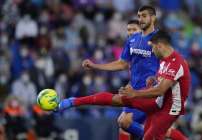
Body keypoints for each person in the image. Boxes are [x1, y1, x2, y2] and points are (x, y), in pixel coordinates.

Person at [58, 30, 190, 140]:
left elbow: (161, 90)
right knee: (120, 100)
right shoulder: (164, 60)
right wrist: (153, 78)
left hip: (171, 108)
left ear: (160, 45)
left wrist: (135, 93)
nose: (152, 51)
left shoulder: (176, 62)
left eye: (153, 47)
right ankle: (73, 102)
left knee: (148, 136)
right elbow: (163, 81)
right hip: (159, 101)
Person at [82, 5, 159, 139]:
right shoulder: (132, 43)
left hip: (150, 92)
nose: (130, 33)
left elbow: (167, 63)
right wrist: (96, 66)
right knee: (124, 127)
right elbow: (123, 64)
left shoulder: (157, 40)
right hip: (134, 90)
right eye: (128, 30)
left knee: (124, 121)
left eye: (133, 30)